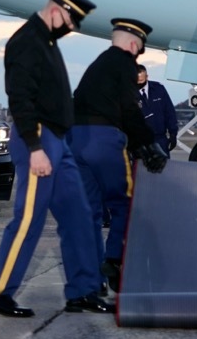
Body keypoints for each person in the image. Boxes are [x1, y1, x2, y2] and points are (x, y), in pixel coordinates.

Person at [0, 0, 112, 317]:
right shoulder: (27, 42)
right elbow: (20, 100)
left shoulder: (46, 41)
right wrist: (35, 148)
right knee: (28, 220)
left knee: (79, 215)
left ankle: (83, 291)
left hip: (58, 140)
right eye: (69, 23)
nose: (70, 30)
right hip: (37, 137)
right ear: (57, 11)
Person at [69, 19, 167, 293]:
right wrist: (148, 144)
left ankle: (89, 281)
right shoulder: (124, 64)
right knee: (125, 204)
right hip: (103, 139)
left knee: (90, 211)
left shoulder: (98, 65)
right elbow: (129, 108)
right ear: (134, 44)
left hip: (76, 140)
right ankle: (113, 261)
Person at [137, 64, 178, 156]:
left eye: (141, 81)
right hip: (139, 141)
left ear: (147, 77)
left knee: (163, 168)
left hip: (160, 138)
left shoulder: (159, 89)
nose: (139, 83)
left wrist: (173, 133)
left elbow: (169, 112)